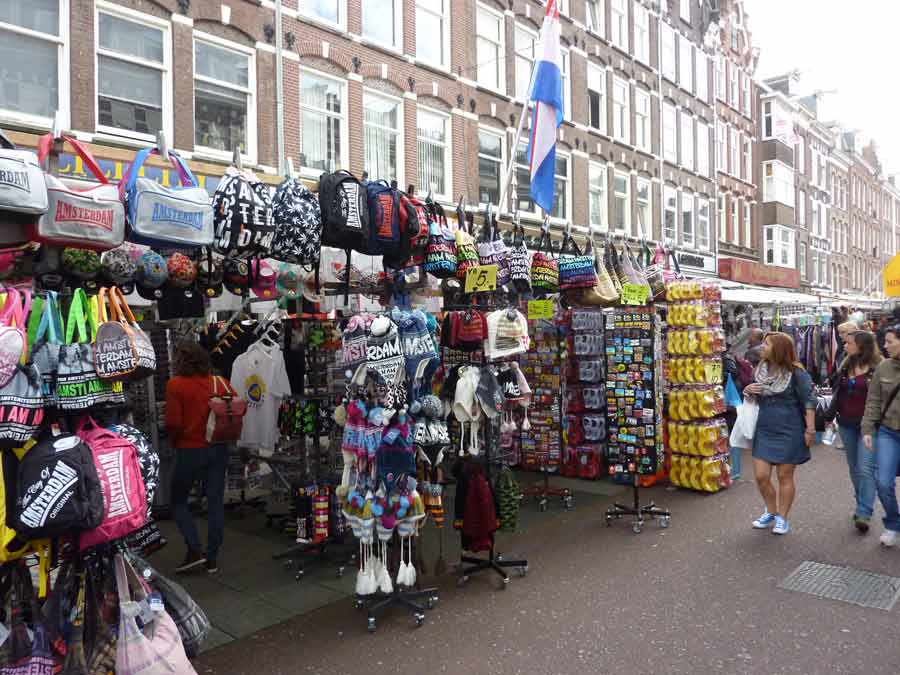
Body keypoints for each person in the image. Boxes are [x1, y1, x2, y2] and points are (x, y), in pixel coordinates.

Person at [744, 332, 816, 535]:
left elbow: (809, 402)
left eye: (766, 344)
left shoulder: (797, 373)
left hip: (790, 428)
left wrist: (810, 430)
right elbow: (754, 398)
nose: (762, 347)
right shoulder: (759, 369)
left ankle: (782, 518)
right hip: (765, 427)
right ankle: (772, 511)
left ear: (779, 349)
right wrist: (748, 390)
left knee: (784, 476)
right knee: (761, 476)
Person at [166, 341, 226, 574]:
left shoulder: (176, 385)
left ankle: (194, 549)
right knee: (215, 502)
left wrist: (174, 443)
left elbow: (173, 422)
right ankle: (212, 557)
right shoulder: (220, 383)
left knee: (178, 501)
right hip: (218, 448)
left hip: (189, 449)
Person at [826, 330, 881, 532]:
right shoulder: (846, 364)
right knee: (854, 468)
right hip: (846, 424)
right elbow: (838, 395)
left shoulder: (877, 368)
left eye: (849, 343)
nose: (845, 346)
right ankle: (861, 502)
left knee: (866, 468)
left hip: (868, 427)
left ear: (862, 345)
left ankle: (865, 512)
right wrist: (830, 417)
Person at [862, 325, 900, 548]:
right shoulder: (883, 367)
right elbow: (874, 400)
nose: (884, 346)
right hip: (888, 432)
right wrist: (867, 429)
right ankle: (893, 524)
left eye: (889, 341)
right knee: (883, 482)